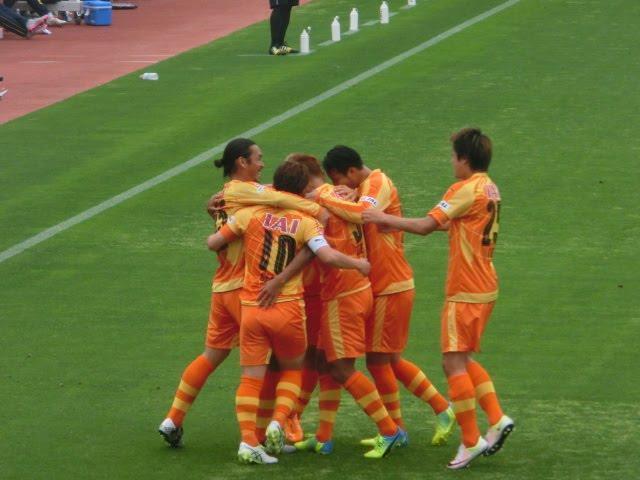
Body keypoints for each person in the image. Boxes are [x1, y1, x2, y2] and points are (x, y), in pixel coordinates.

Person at [362, 128, 514, 470]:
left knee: (452, 364)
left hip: (465, 288)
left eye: (453, 156)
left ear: (464, 159)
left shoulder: (463, 188)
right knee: (464, 358)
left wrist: (382, 218)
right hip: (486, 283)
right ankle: (496, 418)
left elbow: (427, 225)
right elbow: (456, 223)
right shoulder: (489, 187)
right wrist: (396, 223)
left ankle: (470, 440)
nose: (451, 162)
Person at [157, 138, 321, 447]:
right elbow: (284, 198)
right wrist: (318, 205)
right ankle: (266, 434)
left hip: (221, 287)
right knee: (274, 364)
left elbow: (269, 193)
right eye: (257, 158)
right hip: (245, 290)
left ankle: (173, 419)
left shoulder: (229, 195)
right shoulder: (241, 192)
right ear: (241, 162)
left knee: (211, 355)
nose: (262, 164)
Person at [207, 160, 371, 465]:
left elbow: (213, 242)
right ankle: (278, 421)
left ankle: (248, 442)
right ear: (302, 189)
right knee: (293, 370)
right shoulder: (307, 221)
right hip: (288, 309)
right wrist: (358, 264)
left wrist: (219, 217)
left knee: (251, 377)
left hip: (253, 307)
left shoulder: (250, 214)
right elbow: (327, 256)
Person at [312, 146, 456, 447]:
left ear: (351, 171)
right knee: (386, 359)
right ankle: (422, 418)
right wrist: (346, 194)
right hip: (381, 285)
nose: (338, 187)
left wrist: (323, 194)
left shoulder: (377, 182)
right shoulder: (364, 187)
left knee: (380, 361)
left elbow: (362, 215)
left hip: (391, 284)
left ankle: (418, 419)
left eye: (338, 180)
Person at [270, 154, 405, 459]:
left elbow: (332, 239)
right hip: (353, 291)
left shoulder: (321, 201)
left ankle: (389, 429)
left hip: (343, 293)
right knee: (323, 361)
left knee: (342, 369)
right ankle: (323, 437)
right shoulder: (335, 195)